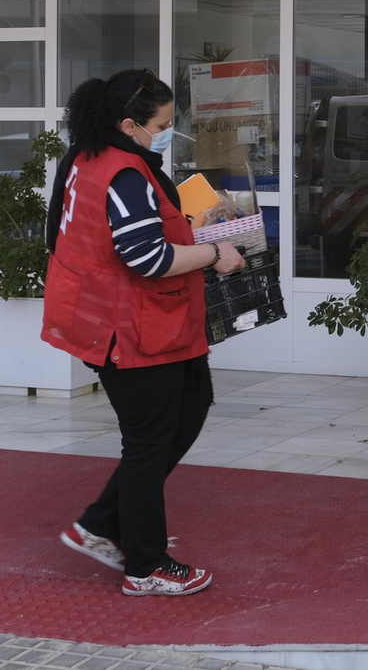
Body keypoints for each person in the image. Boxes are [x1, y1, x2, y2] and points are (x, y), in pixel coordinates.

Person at [41, 68, 246, 596]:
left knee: (189, 408)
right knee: (149, 442)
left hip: (142, 323)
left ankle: (99, 524)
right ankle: (146, 565)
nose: (166, 132)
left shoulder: (87, 159)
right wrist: (214, 252)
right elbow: (147, 258)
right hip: (129, 329)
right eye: (161, 124)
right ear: (129, 124)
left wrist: (189, 231)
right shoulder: (124, 174)